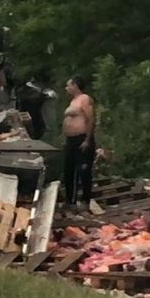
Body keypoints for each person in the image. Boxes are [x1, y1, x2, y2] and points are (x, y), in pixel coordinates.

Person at [62, 75, 96, 208]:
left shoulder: (84, 99)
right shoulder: (73, 101)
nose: (66, 88)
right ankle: (70, 200)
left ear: (75, 85)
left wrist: (87, 139)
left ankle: (85, 200)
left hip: (81, 138)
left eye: (68, 85)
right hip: (71, 140)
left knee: (83, 170)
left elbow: (90, 119)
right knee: (69, 170)